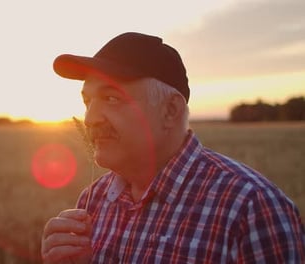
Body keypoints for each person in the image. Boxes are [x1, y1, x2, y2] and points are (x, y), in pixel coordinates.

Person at [41, 32, 305, 263]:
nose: (90, 119)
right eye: (88, 102)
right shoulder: (94, 199)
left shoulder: (250, 207)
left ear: (170, 111)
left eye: (112, 98)